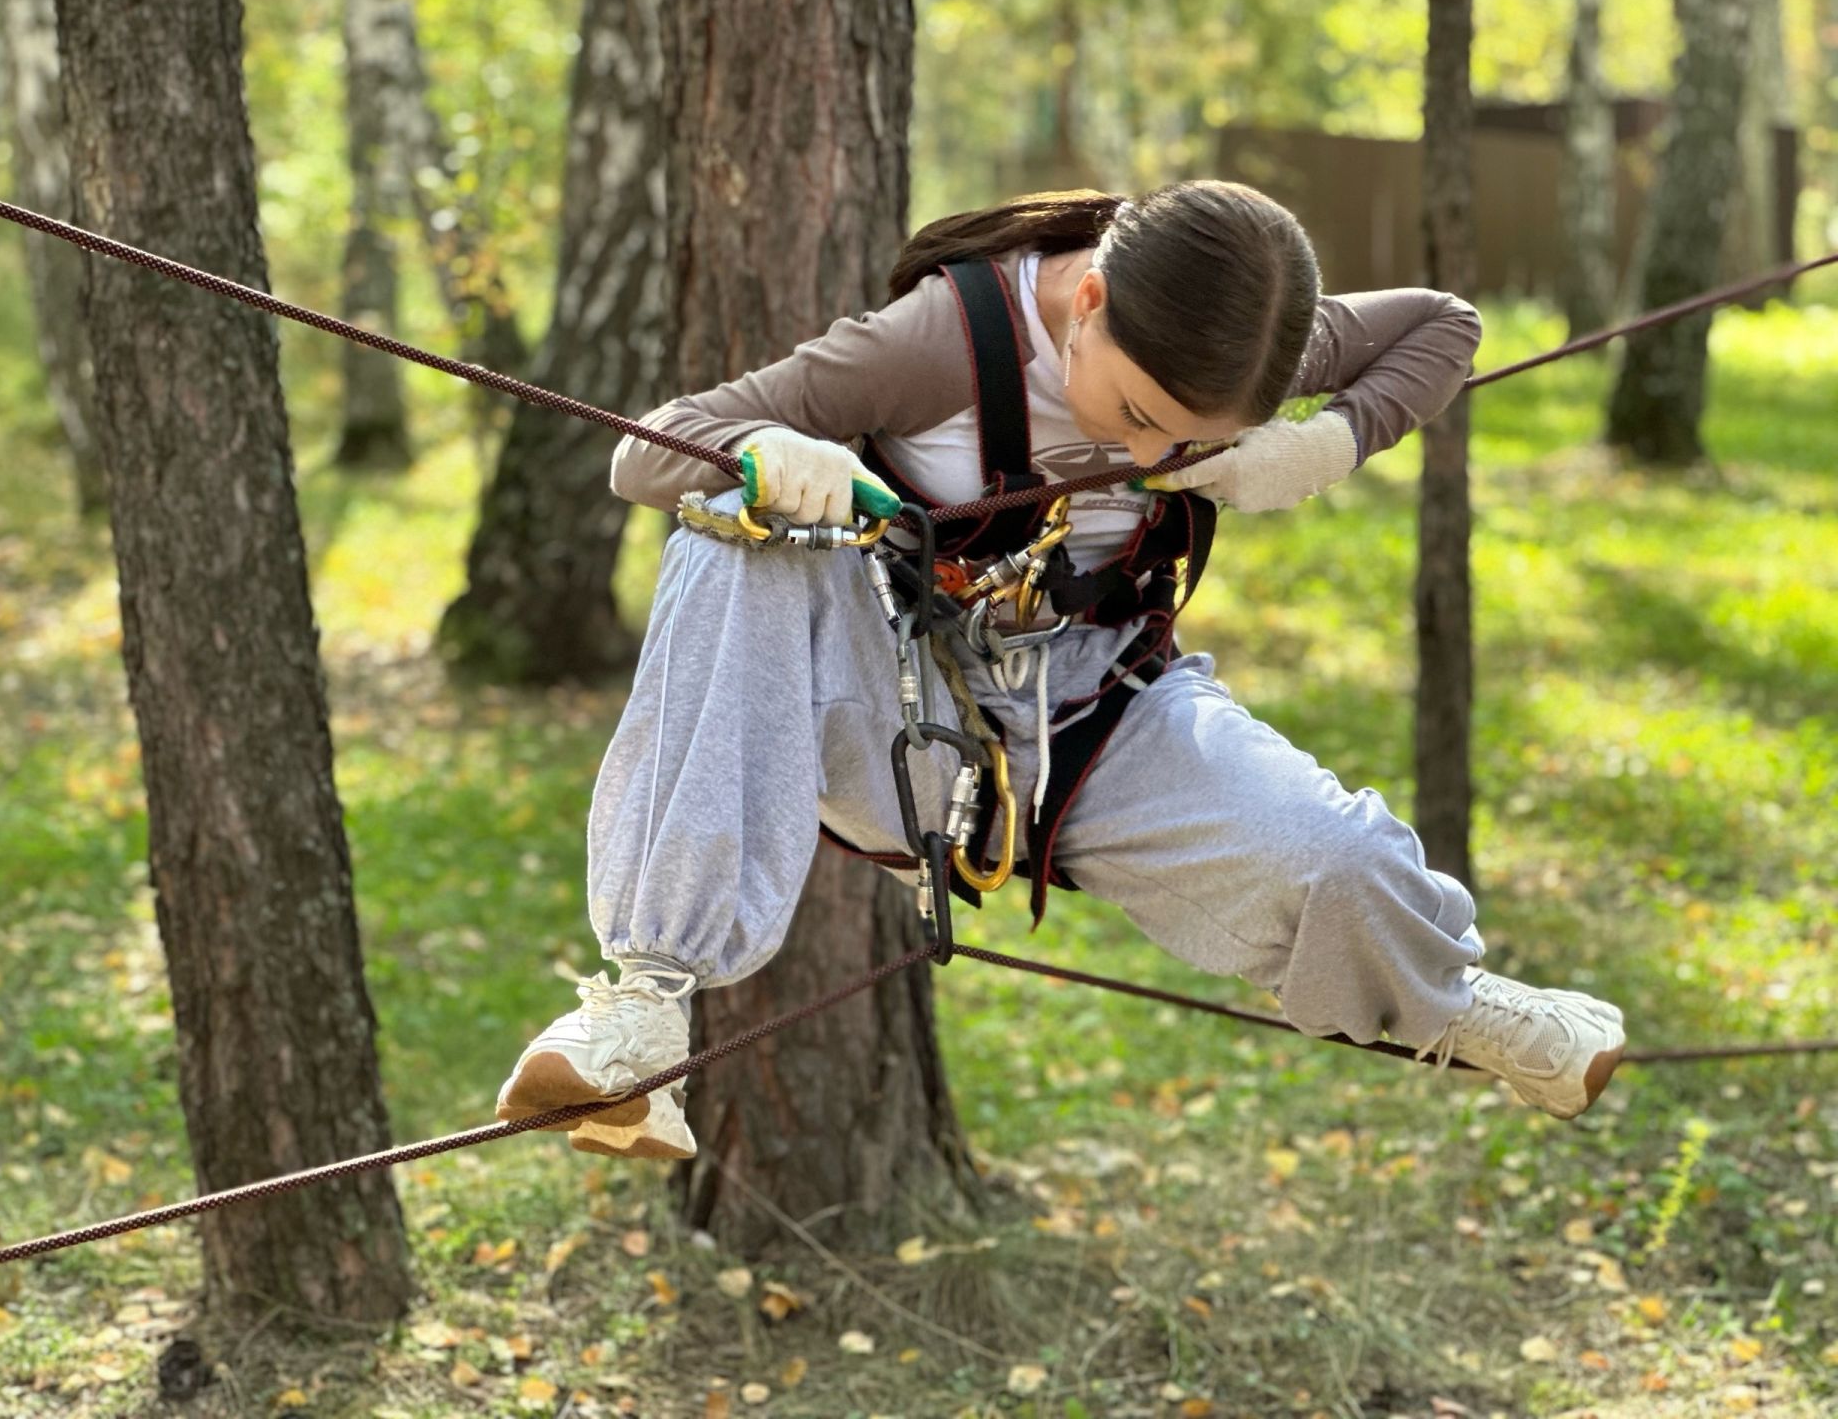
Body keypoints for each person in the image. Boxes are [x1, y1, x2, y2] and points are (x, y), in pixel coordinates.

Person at [494, 183, 1626, 1162]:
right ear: (1088, 302)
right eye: (1139, 416)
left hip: (1103, 711)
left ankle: (1455, 1001)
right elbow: (647, 451)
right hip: (901, 711)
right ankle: (644, 1009)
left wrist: (1330, 440)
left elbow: (1442, 324)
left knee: (1341, 854)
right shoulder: (935, 345)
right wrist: (761, 450)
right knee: (730, 525)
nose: (1147, 458)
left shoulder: (1242, 331)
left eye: (1178, 442)